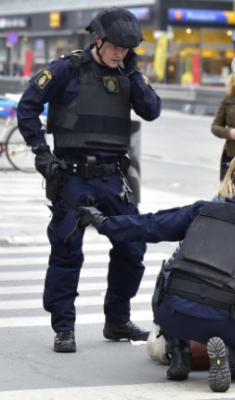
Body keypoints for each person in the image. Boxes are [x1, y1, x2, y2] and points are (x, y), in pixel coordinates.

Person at [78, 162, 235, 392]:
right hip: (223, 321)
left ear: (232, 186)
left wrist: (105, 223)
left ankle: (179, 352)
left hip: (171, 312)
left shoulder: (201, 210)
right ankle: (231, 357)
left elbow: (153, 225)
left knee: (174, 277)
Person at [16, 7, 161, 353]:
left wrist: (135, 72)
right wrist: (41, 152)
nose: (119, 53)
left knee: (132, 247)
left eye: (127, 49)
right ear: (98, 39)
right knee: (67, 253)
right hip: (73, 178)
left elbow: (151, 110)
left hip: (114, 178)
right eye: (115, 47)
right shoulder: (68, 69)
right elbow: (27, 107)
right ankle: (64, 328)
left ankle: (117, 320)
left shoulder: (128, 71)